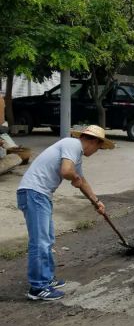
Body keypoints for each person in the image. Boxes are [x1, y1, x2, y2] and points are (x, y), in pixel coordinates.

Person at [17, 125, 114, 301]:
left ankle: (46, 279)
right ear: (93, 141)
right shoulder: (72, 144)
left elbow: (81, 181)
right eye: (99, 148)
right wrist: (75, 178)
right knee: (40, 241)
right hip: (34, 193)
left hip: (40, 194)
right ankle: (38, 287)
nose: (96, 152)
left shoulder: (75, 153)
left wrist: (96, 202)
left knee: (47, 238)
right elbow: (67, 171)